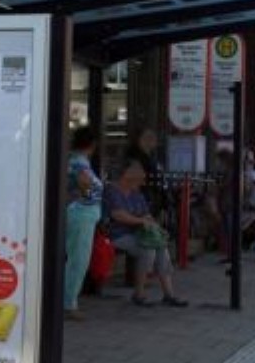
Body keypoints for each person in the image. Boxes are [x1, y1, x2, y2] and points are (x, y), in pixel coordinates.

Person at [103, 160, 188, 308]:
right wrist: (141, 221)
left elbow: (146, 215)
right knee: (147, 250)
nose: (141, 181)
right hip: (117, 234)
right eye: (138, 178)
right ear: (127, 176)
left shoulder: (136, 194)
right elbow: (118, 215)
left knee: (160, 246)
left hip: (138, 233)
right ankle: (139, 294)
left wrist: (156, 228)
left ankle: (169, 294)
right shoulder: (112, 191)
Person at [64, 126, 103, 321]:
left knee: (75, 258)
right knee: (78, 260)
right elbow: (84, 182)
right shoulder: (80, 162)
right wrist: (88, 195)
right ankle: (68, 304)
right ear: (93, 144)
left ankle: (67, 300)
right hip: (82, 213)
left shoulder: (74, 159)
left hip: (79, 213)